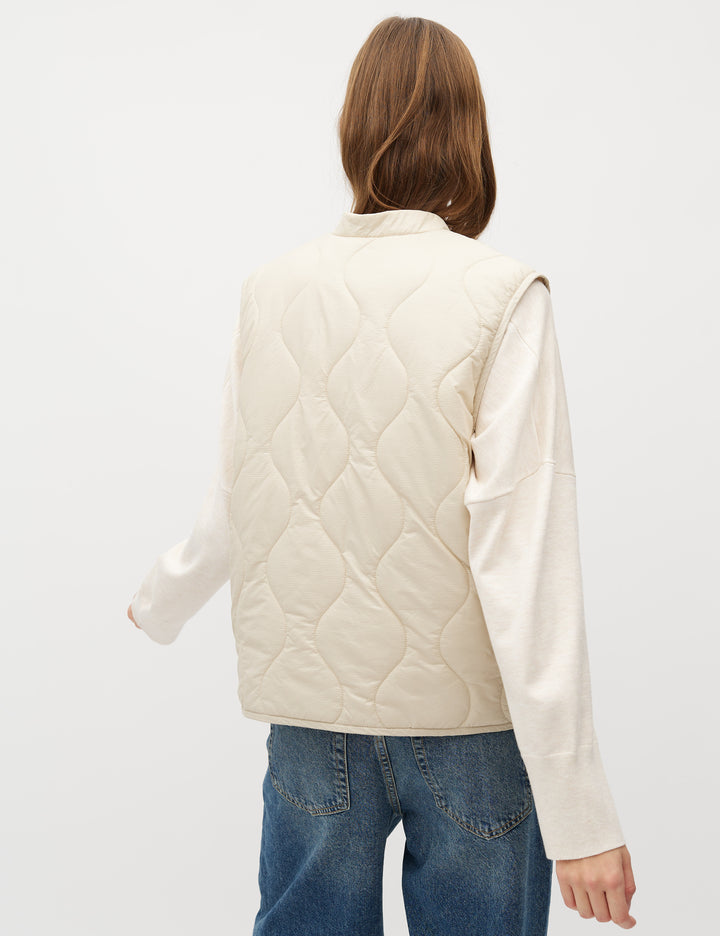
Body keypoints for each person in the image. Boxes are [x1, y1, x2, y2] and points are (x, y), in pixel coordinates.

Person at [127, 15, 637, 935]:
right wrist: (582, 814)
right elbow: (525, 559)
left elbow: (237, 497)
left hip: (311, 720)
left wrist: (160, 600)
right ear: (470, 133)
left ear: (352, 128)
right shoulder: (502, 294)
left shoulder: (271, 290)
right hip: (470, 730)